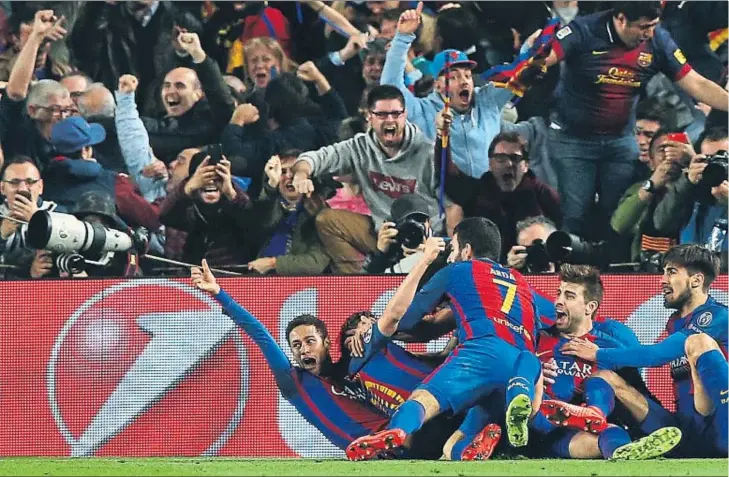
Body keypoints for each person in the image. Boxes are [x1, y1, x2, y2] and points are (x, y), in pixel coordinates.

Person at [346, 217, 545, 459]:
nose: (450, 256)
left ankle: (398, 430)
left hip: (480, 353)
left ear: (467, 250)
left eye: (453, 249)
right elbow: (546, 324)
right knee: (452, 448)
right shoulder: (523, 285)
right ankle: (473, 445)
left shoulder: (457, 270)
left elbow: (405, 319)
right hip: (521, 368)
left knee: (423, 400)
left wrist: (374, 327)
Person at [543, 1, 729, 239]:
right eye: (643, 27)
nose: (649, 33)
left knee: (620, 215)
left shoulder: (658, 41)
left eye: (653, 26)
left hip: (620, 138)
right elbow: (544, 58)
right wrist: (532, 59)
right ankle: (570, 272)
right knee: (576, 215)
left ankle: (616, 273)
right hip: (573, 139)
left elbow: (696, 83)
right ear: (620, 19)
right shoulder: (584, 30)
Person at [189, 259, 388, 451]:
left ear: (326, 343)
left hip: (398, 433)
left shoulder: (350, 370)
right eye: (296, 345)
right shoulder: (294, 382)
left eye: (310, 341)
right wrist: (218, 292)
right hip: (377, 453)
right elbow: (259, 333)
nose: (303, 349)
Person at [562, 244, 728, 457]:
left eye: (671, 272)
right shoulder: (675, 322)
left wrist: (597, 353)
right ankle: (617, 440)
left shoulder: (716, 317)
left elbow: (655, 355)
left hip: (719, 428)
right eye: (663, 272)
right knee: (606, 377)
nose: (662, 280)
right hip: (688, 432)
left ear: (696, 280)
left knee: (699, 343)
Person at [532, 264, 682, 460]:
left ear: (590, 307)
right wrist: (536, 371)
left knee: (610, 428)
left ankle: (620, 451)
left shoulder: (608, 346)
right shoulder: (537, 339)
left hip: (573, 436)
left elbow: (636, 392)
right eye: (558, 293)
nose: (558, 301)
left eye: (569, 296)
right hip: (543, 426)